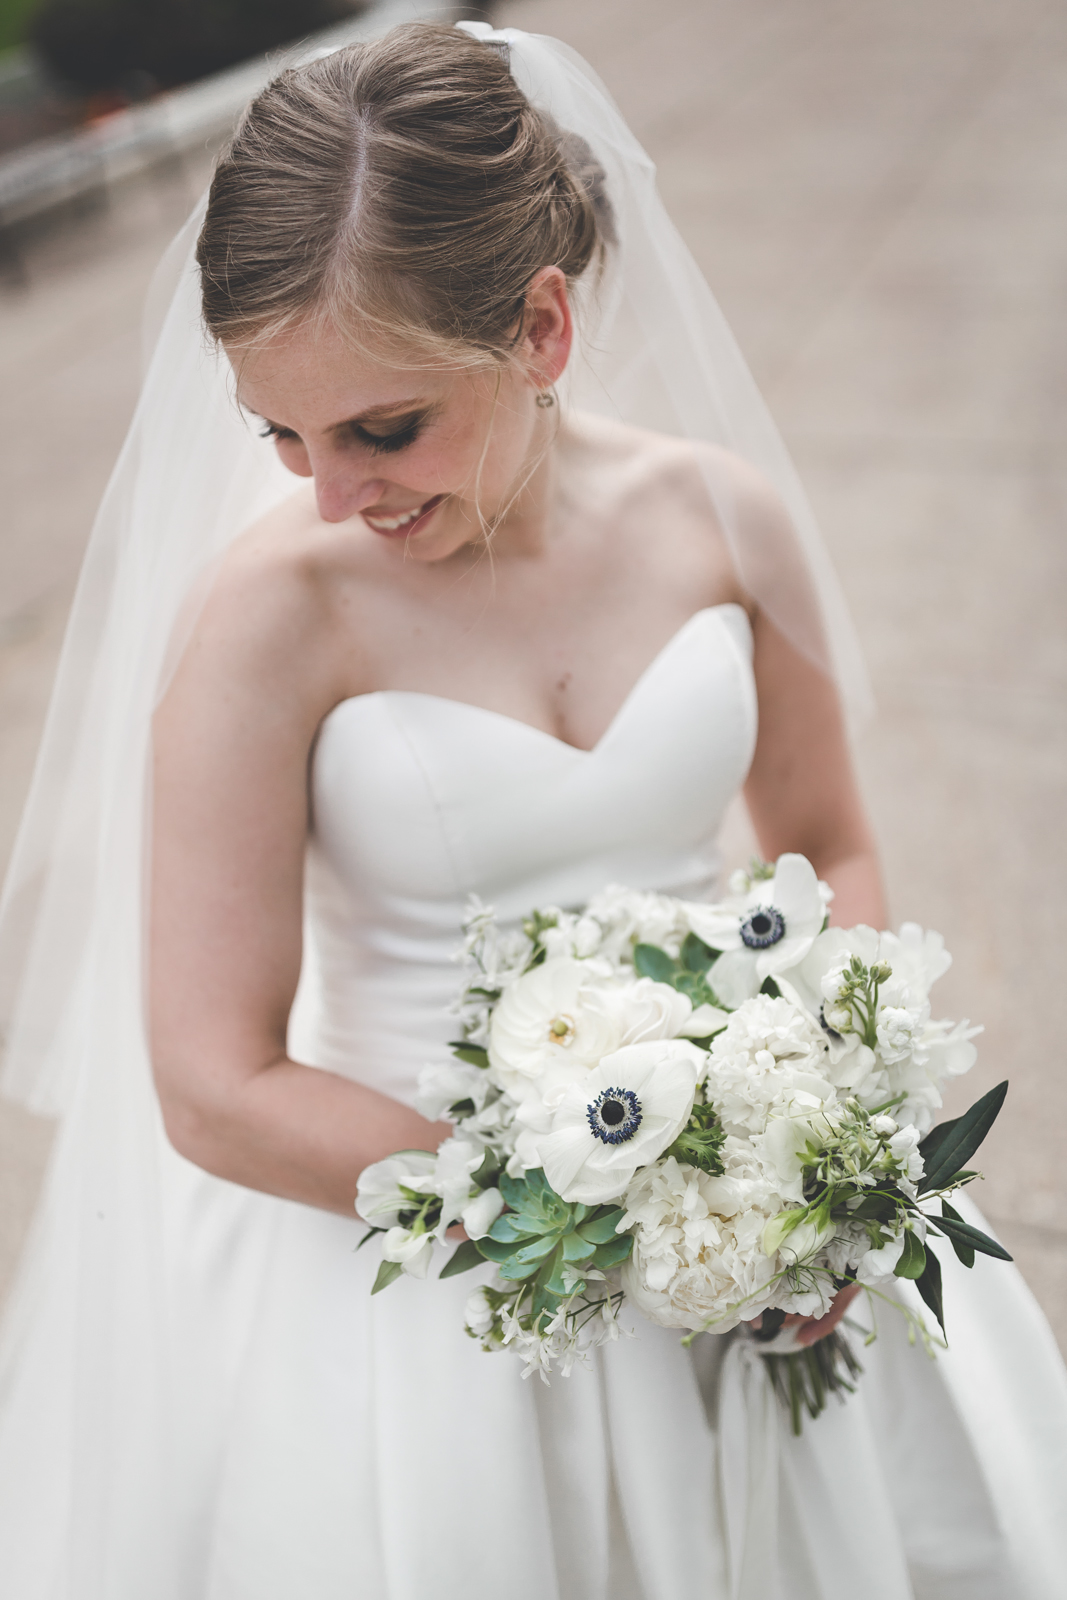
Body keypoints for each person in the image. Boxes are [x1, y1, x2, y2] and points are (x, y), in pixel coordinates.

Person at [0, 21, 1064, 1600]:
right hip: (435, 1259)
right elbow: (214, 1083)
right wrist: (599, 1203)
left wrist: (800, 1151)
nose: (329, 495)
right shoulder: (266, 621)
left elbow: (826, 840)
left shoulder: (719, 520)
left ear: (542, 328)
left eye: (382, 428)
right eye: (281, 435)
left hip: (753, 1218)